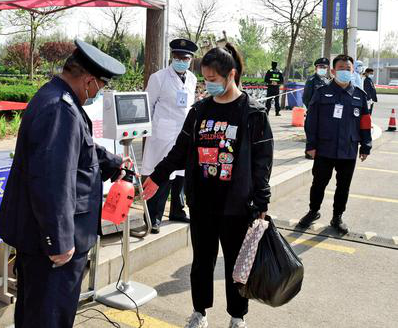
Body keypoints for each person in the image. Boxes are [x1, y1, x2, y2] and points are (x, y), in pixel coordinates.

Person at [0, 40, 127, 328]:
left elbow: (78, 148)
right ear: (89, 81)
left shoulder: (57, 98)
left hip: (46, 238)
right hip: (52, 246)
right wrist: (59, 240)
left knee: (38, 314)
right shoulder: (60, 109)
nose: (98, 94)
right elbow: (52, 180)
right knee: (48, 317)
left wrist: (111, 162)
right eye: (100, 87)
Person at [142, 43, 274, 328]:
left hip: (237, 205)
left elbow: (262, 162)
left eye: (213, 79)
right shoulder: (199, 110)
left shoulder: (253, 113)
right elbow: (179, 150)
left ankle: (237, 317)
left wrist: (262, 201)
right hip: (202, 202)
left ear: (231, 75)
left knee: (236, 265)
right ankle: (199, 312)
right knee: (202, 261)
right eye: (204, 79)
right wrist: (156, 177)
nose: (207, 85)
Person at [297, 54, 372, 235]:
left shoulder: (359, 95)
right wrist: (311, 145)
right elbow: (311, 121)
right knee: (319, 183)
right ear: (333, 71)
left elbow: (365, 123)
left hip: (348, 149)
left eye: (348, 69)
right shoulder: (322, 93)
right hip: (324, 148)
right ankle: (313, 211)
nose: (345, 72)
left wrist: (366, 146)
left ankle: (337, 216)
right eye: (341, 69)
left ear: (353, 71)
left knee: (343, 186)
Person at [142, 38, 198, 233]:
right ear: (172, 57)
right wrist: (148, 130)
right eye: (177, 57)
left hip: (184, 133)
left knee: (181, 174)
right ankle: (153, 216)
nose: (181, 61)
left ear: (191, 59)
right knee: (161, 174)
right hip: (163, 134)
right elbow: (148, 105)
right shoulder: (158, 78)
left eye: (185, 58)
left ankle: (177, 210)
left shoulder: (192, 79)